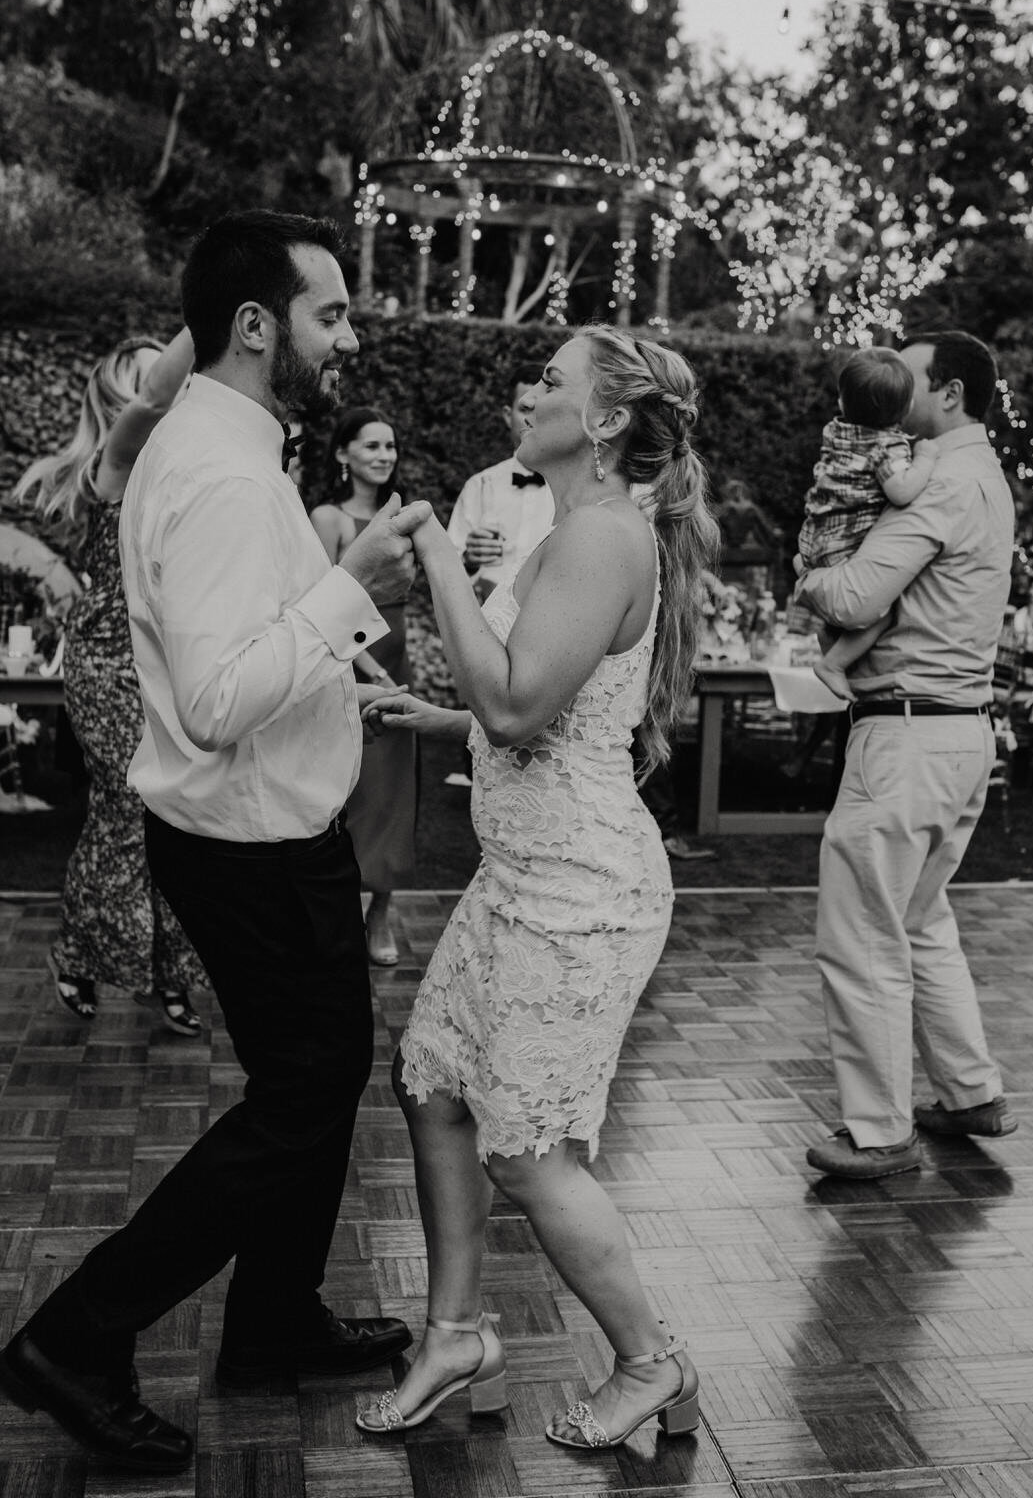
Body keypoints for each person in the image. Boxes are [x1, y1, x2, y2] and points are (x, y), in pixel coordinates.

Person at [0, 210, 430, 1472]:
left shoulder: (218, 448)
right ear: (258, 325)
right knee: (300, 1101)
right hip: (250, 844)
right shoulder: (224, 475)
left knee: (317, 1080)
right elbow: (217, 697)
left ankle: (274, 1320)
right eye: (330, 312)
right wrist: (361, 590)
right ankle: (79, 1333)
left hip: (262, 832)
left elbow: (246, 648)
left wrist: (347, 662)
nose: (348, 335)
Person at [356, 325, 717, 1450]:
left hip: (581, 888)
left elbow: (517, 707)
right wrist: (436, 716)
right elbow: (551, 713)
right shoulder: (577, 530)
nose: (529, 392)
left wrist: (428, 555)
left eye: (552, 381)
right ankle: (456, 1332)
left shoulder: (605, 536)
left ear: (606, 420)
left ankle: (650, 1360)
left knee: (526, 1149)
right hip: (521, 874)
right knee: (434, 1083)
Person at [797, 330, 1017, 1181]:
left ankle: (880, 1132)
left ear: (951, 393)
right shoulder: (984, 477)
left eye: (912, 377)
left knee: (861, 936)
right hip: (961, 729)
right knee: (921, 921)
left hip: (907, 736)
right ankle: (969, 1093)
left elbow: (855, 593)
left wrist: (805, 573)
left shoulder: (943, 482)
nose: (896, 388)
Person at [13, 331, 208, 1034]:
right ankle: (86, 953)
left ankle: (167, 970)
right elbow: (159, 396)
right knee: (130, 810)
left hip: (177, 655)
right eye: (147, 375)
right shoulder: (115, 461)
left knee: (178, 812)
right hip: (110, 660)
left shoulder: (186, 466)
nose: (167, 383)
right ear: (118, 396)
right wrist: (219, 293)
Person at [310, 404, 416, 965]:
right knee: (347, 794)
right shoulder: (328, 519)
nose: (383, 456)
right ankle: (334, 908)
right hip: (344, 665)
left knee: (391, 797)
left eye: (390, 446)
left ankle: (381, 912)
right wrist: (373, 671)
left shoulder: (405, 521)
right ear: (343, 453)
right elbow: (320, 604)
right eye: (372, 445)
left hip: (398, 661)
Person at [797, 346, 939, 699]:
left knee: (832, 608)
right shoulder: (886, 446)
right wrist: (925, 459)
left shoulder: (837, 431)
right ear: (905, 409)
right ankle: (833, 664)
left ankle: (828, 640)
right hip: (844, 544)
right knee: (883, 614)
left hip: (814, 535)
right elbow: (901, 491)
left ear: (843, 403)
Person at [445, 358, 556, 602]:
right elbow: (447, 573)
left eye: (542, 410)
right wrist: (469, 560)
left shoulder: (569, 487)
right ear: (508, 415)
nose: (532, 419)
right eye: (524, 409)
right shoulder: (480, 486)